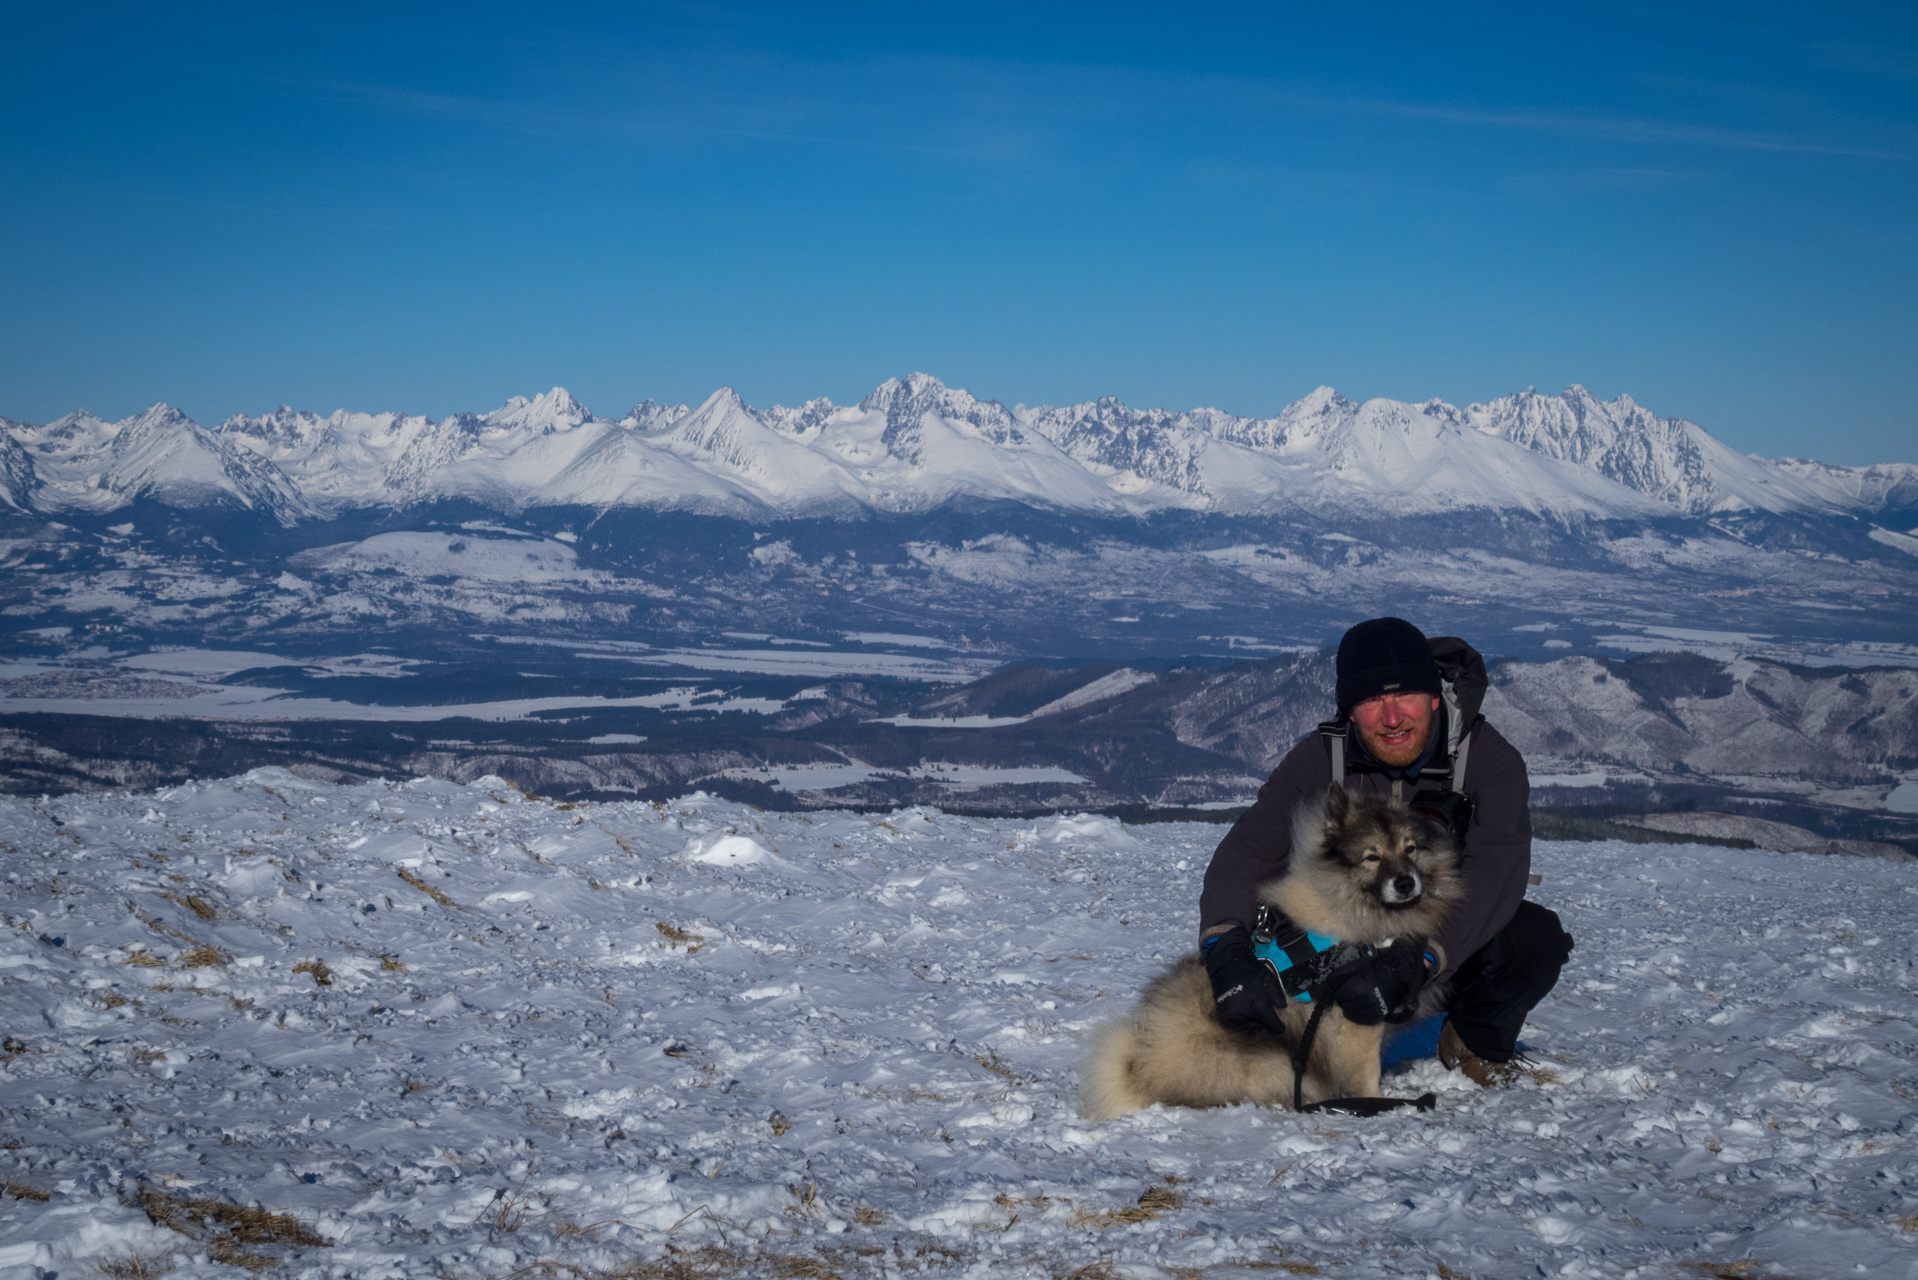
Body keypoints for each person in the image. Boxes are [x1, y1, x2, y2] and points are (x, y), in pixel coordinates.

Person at [1198, 616, 1574, 1084]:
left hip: (1446, 938)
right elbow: (1248, 851)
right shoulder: (1322, 757)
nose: (1392, 717)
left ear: (1434, 696)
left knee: (1534, 939)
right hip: (1346, 931)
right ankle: (1308, 1044)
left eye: (1406, 697)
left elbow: (1496, 872)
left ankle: (1473, 1041)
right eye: (1373, 700)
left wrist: (1419, 959)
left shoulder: (1488, 761)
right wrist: (1225, 946)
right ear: (1350, 711)